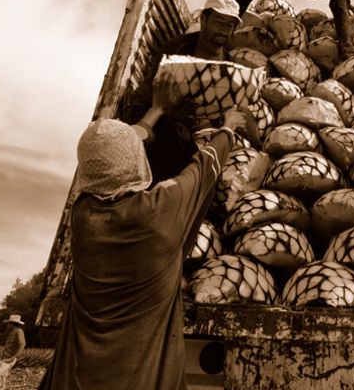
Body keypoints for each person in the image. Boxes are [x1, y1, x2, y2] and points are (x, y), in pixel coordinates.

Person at [40, 70, 252, 389]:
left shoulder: (83, 216)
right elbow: (203, 166)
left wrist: (155, 110)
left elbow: (114, 151)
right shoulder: (159, 211)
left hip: (77, 377)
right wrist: (228, 128)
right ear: (133, 162)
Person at [125, 0, 242, 182]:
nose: (224, 30)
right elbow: (159, 93)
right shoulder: (177, 48)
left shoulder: (229, 65)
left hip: (187, 126)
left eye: (230, 25)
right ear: (204, 20)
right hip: (151, 112)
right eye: (219, 22)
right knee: (167, 148)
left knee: (199, 169)